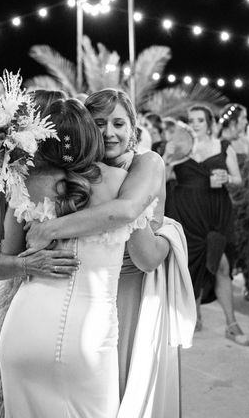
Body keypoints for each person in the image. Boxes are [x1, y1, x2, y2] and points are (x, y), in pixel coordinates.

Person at [0, 98, 160, 418]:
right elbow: (148, 258)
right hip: (89, 341)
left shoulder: (22, 184)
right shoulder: (124, 186)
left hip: (24, 332)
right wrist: (171, 240)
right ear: (90, 137)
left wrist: (24, 264)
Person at [20, 89, 194, 414]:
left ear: (133, 128)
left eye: (119, 123)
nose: (109, 132)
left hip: (127, 290)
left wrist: (170, 232)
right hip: (71, 290)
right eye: (99, 122)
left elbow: (137, 236)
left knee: (120, 388)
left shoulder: (146, 163)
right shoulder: (76, 170)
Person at [165, 104, 249, 345]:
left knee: (221, 265)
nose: (195, 123)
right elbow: (160, 176)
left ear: (210, 123)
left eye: (200, 120)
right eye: (191, 119)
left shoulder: (223, 147)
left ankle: (231, 324)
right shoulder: (179, 147)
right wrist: (168, 156)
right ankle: (194, 316)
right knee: (189, 267)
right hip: (186, 216)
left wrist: (228, 179)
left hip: (216, 214)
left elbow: (239, 181)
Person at [219, 103, 249, 301]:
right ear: (234, 121)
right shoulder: (220, 142)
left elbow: (248, 173)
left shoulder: (245, 142)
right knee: (229, 242)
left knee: (246, 241)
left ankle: (247, 283)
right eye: (243, 118)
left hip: (246, 201)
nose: (246, 122)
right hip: (228, 200)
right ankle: (225, 280)